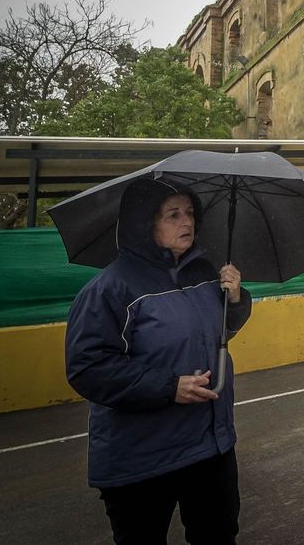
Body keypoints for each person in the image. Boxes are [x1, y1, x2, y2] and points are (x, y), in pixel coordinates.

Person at [65, 177, 252, 545]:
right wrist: (169, 387)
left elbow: (218, 335)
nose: (188, 222)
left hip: (210, 447)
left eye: (190, 213)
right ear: (144, 222)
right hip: (143, 459)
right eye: (173, 215)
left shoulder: (203, 273)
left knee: (218, 536)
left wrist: (234, 301)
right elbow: (87, 368)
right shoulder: (110, 289)